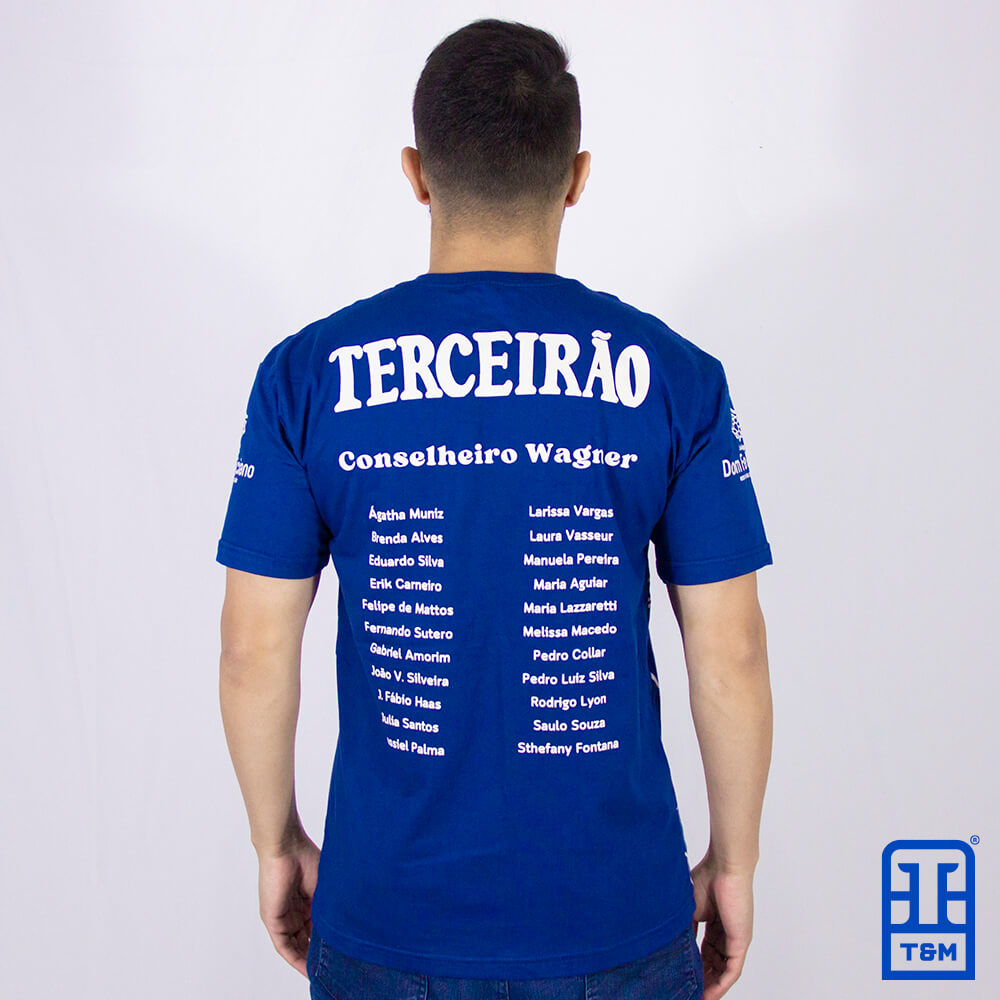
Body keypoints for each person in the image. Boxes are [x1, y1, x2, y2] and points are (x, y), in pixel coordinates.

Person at [216, 17, 773, 1000]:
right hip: (616, 923)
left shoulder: (305, 376)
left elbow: (253, 649)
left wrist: (277, 842)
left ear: (415, 172)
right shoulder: (675, 378)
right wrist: (733, 864)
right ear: (576, 176)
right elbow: (729, 654)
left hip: (385, 919)